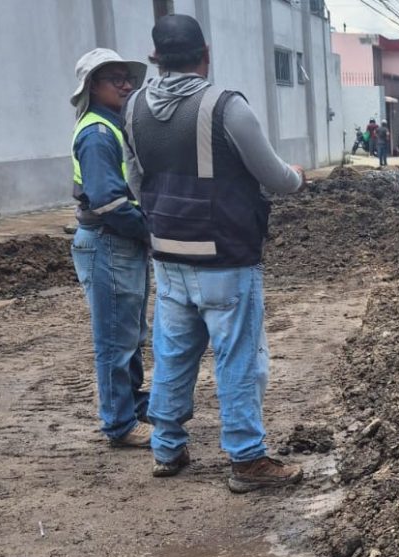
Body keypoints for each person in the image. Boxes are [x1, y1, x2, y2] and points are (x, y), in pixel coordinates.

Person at [125, 14, 306, 491]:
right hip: (224, 256)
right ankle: (247, 460)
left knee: (172, 354)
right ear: (206, 55)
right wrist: (297, 176)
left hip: (167, 255)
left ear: (155, 59)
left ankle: (167, 447)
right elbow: (274, 178)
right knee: (236, 358)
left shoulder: (133, 107)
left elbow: (136, 180)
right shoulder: (226, 107)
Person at [69, 48, 152, 448]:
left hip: (116, 243)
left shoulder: (111, 127)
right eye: (114, 79)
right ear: (92, 87)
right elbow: (107, 200)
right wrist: (148, 230)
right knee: (115, 339)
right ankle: (120, 423)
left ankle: (133, 406)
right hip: (109, 241)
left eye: (127, 77)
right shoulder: (98, 134)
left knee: (130, 334)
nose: (125, 85)